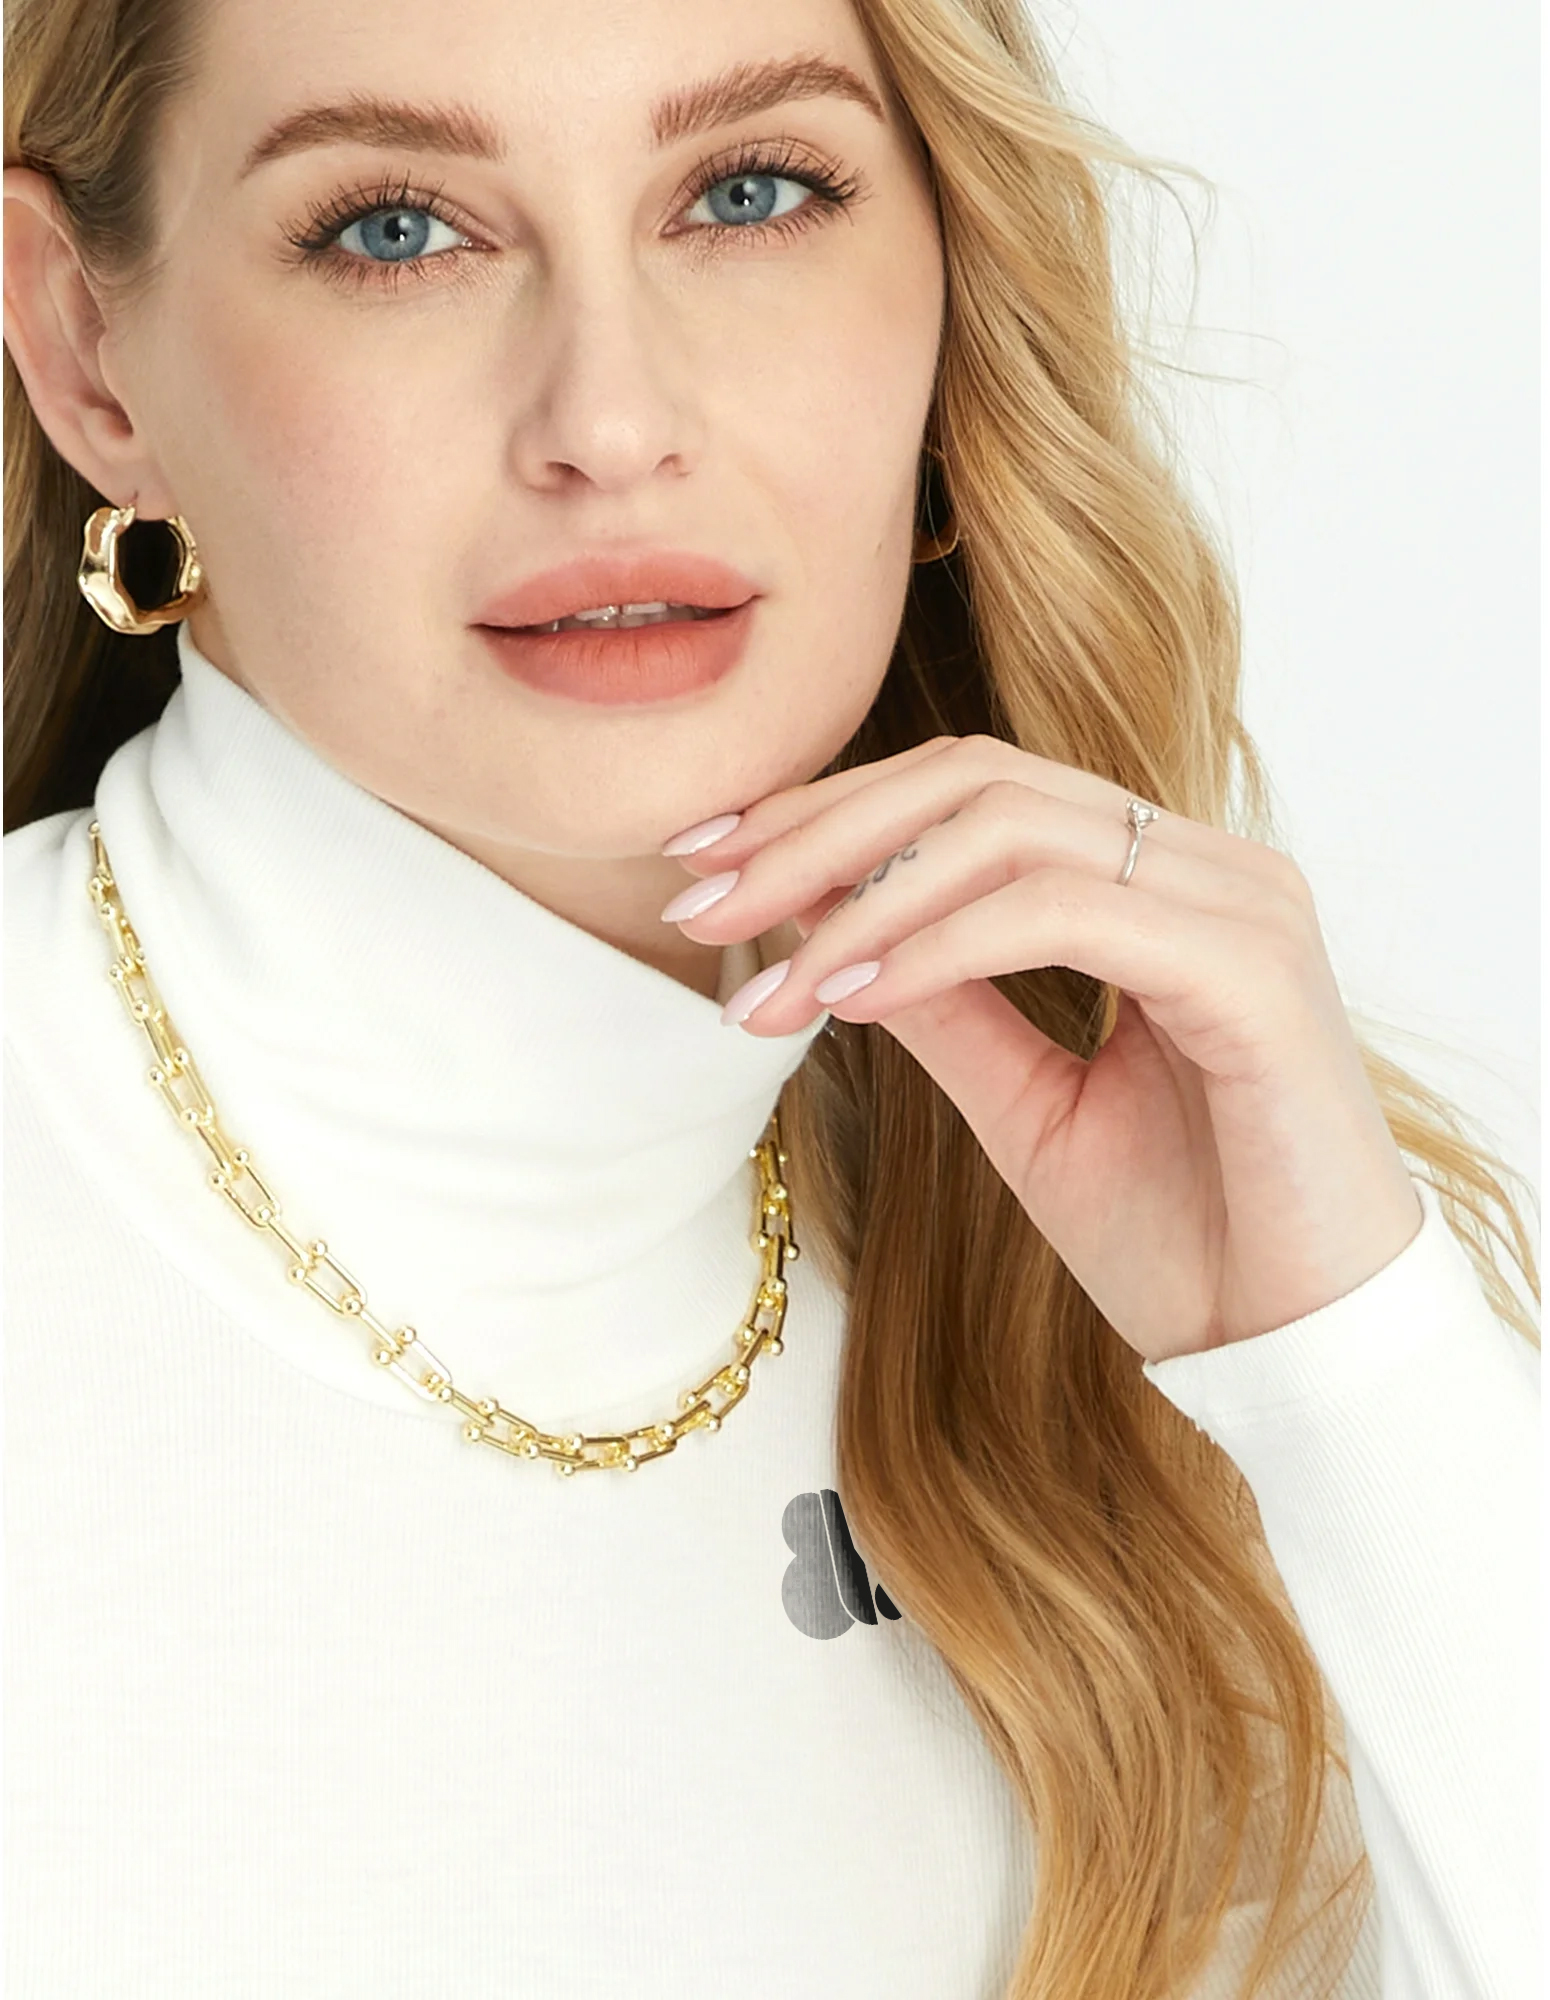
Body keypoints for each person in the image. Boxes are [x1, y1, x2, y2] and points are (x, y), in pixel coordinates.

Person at [2, 0, 1537, 1993]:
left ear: (951, 294)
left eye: (745, 194)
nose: (610, 417)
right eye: (397, 228)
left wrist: (1342, 1369)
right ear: (85, 349)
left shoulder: (1168, 1280)